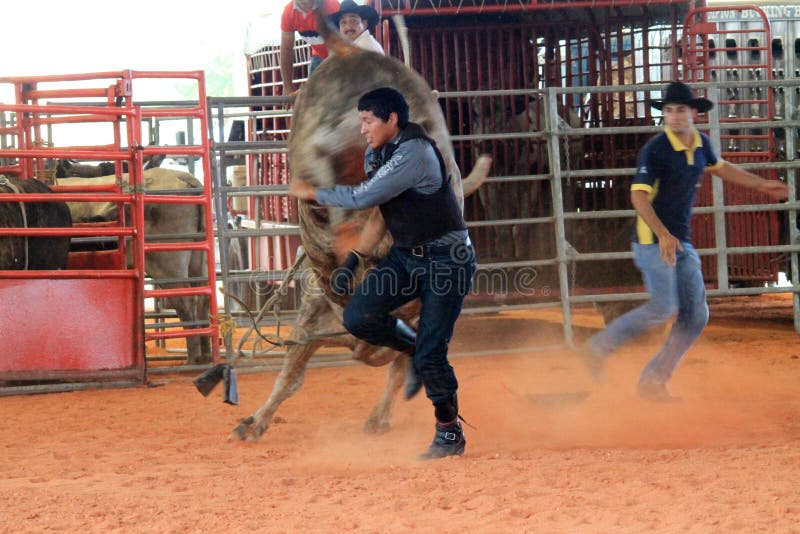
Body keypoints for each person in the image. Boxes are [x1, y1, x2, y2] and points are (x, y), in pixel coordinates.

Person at [289, 87, 477, 459]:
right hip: (408, 257)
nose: (363, 129)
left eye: (368, 120)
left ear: (392, 119)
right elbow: (379, 213)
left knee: (431, 356)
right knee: (359, 316)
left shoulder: (415, 153)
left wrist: (315, 193)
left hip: (447, 261)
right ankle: (412, 348)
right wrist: (354, 260)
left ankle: (449, 432)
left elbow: (363, 199)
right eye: (361, 121)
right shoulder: (379, 152)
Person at [579, 81, 789, 401]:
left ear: (694, 112)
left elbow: (720, 167)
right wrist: (663, 235)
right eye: (668, 110)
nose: (674, 116)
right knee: (664, 307)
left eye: (680, 110)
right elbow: (638, 197)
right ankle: (596, 348)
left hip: (680, 242)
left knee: (696, 316)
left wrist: (761, 185)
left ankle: (653, 381)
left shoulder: (701, 143)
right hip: (653, 241)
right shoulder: (656, 150)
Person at [280, 0, 341, 96]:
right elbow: (286, 49)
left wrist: (313, 89)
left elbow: (340, 47)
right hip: (319, 56)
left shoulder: (331, 5)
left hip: (340, 56)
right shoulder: (289, 11)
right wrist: (287, 86)